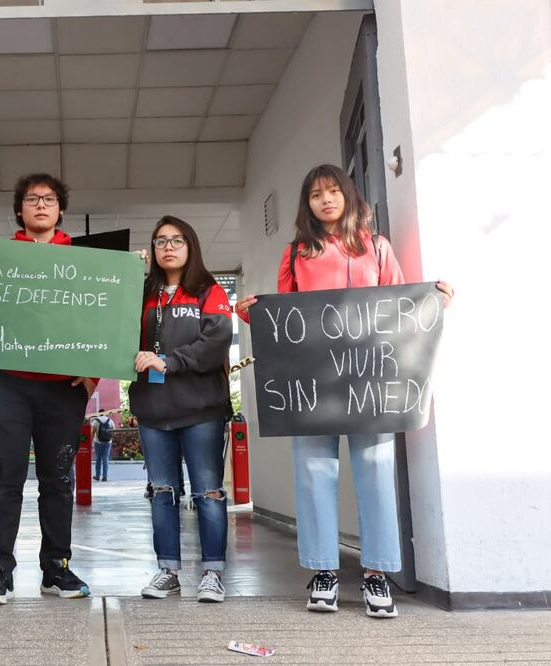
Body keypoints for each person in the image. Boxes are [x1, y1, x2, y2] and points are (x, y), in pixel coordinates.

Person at [235, 164, 454, 619]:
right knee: (313, 473)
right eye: (316, 194)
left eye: (334, 190)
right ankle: (323, 572)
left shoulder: (377, 247)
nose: (326, 199)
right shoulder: (296, 253)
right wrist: (253, 314)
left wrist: (434, 301)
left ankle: (376, 574)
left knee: (375, 472)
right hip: (312, 384)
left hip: (369, 382)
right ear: (308, 204)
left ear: (348, 195)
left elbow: (399, 306)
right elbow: (286, 317)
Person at [0, 173, 97, 606]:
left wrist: (94, 377)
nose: (41, 205)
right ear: (20, 209)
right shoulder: (0, 255)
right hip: (7, 384)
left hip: (63, 389)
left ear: (61, 209)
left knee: (58, 481)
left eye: (49, 199)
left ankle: (57, 568)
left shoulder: (84, 259)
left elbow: (104, 319)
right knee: (6, 479)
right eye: (32, 199)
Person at [129, 215, 234, 603]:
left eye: (177, 240)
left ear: (190, 245)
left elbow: (216, 341)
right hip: (153, 411)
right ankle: (168, 572)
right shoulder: (142, 293)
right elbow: (114, 332)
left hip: (201, 409)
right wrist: (125, 276)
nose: (168, 247)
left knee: (208, 492)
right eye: (160, 241)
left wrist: (169, 361)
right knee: (162, 492)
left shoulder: (209, 291)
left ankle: (212, 573)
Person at [90, 413, 113, 481]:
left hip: (98, 442)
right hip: (108, 442)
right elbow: (113, 431)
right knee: (105, 459)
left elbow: (92, 432)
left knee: (98, 459)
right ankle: (105, 476)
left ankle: (97, 476)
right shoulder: (110, 420)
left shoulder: (96, 421)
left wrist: (90, 443)